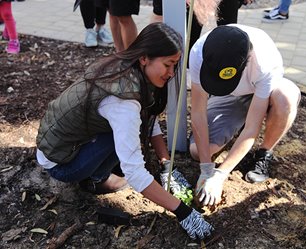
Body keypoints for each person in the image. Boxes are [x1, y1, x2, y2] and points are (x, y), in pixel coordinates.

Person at [35, 22, 213, 240]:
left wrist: (167, 164)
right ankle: (96, 179)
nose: (171, 73)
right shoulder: (122, 103)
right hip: (61, 162)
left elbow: (147, 119)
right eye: (168, 65)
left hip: (67, 142)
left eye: (175, 65)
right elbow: (135, 173)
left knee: (131, 131)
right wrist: (184, 213)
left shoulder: (127, 66)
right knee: (127, 147)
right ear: (145, 58)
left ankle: (99, 167)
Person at [189, 24, 301, 206]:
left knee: (285, 98)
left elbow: (252, 128)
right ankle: (237, 118)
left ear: (247, 60)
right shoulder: (199, 51)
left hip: (263, 92)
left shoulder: (265, 63)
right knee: (197, 151)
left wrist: (220, 175)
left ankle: (264, 153)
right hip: (229, 95)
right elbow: (197, 111)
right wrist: (206, 168)